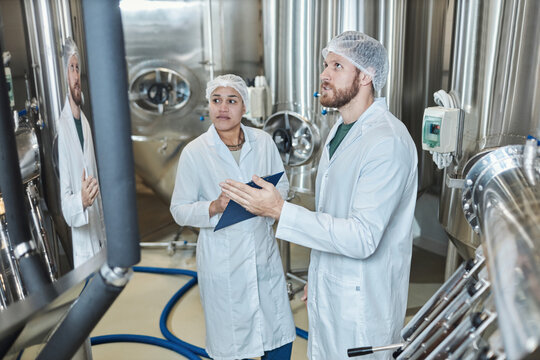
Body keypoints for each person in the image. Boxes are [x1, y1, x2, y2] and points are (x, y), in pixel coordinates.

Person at [220, 31, 418, 359]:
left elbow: (362, 237)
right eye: (325, 65)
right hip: (331, 289)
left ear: (366, 76)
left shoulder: (387, 142)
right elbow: (330, 213)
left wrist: (280, 210)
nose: (324, 74)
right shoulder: (337, 132)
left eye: (337, 66)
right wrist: (317, 275)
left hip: (362, 302)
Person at [170, 74, 296, 360]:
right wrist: (214, 206)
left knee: (277, 338)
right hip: (223, 262)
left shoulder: (263, 142)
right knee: (230, 348)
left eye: (231, 101)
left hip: (262, 254)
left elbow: (284, 186)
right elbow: (179, 210)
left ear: (244, 107)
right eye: (216, 101)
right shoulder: (195, 152)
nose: (223, 108)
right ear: (209, 106)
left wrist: (265, 202)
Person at [58, 37, 106, 268]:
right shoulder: (62, 127)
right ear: (62, 75)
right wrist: (82, 201)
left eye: (78, 68)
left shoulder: (84, 122)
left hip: (100, 234)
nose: (76, 77)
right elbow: (65, 204)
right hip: (83, 245)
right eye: (71, 68)